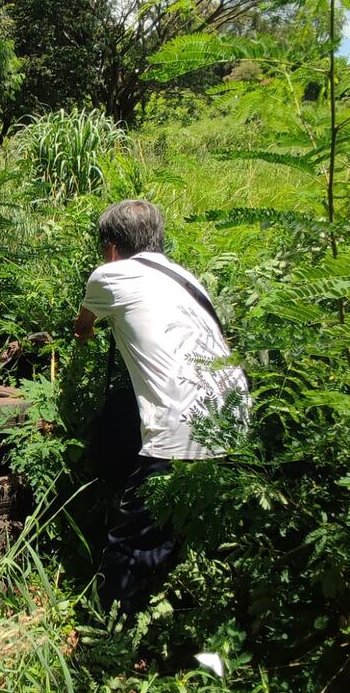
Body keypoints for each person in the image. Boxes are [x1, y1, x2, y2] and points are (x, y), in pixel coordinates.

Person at [73, 199, 249, 615]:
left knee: (134, 546)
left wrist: (84, 335)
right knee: (197, 526)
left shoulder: (109, 275)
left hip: (180, 427)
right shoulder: (189, 279)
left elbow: (82, 327)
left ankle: (110, 643)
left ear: (112, 246)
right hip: (236, 418)